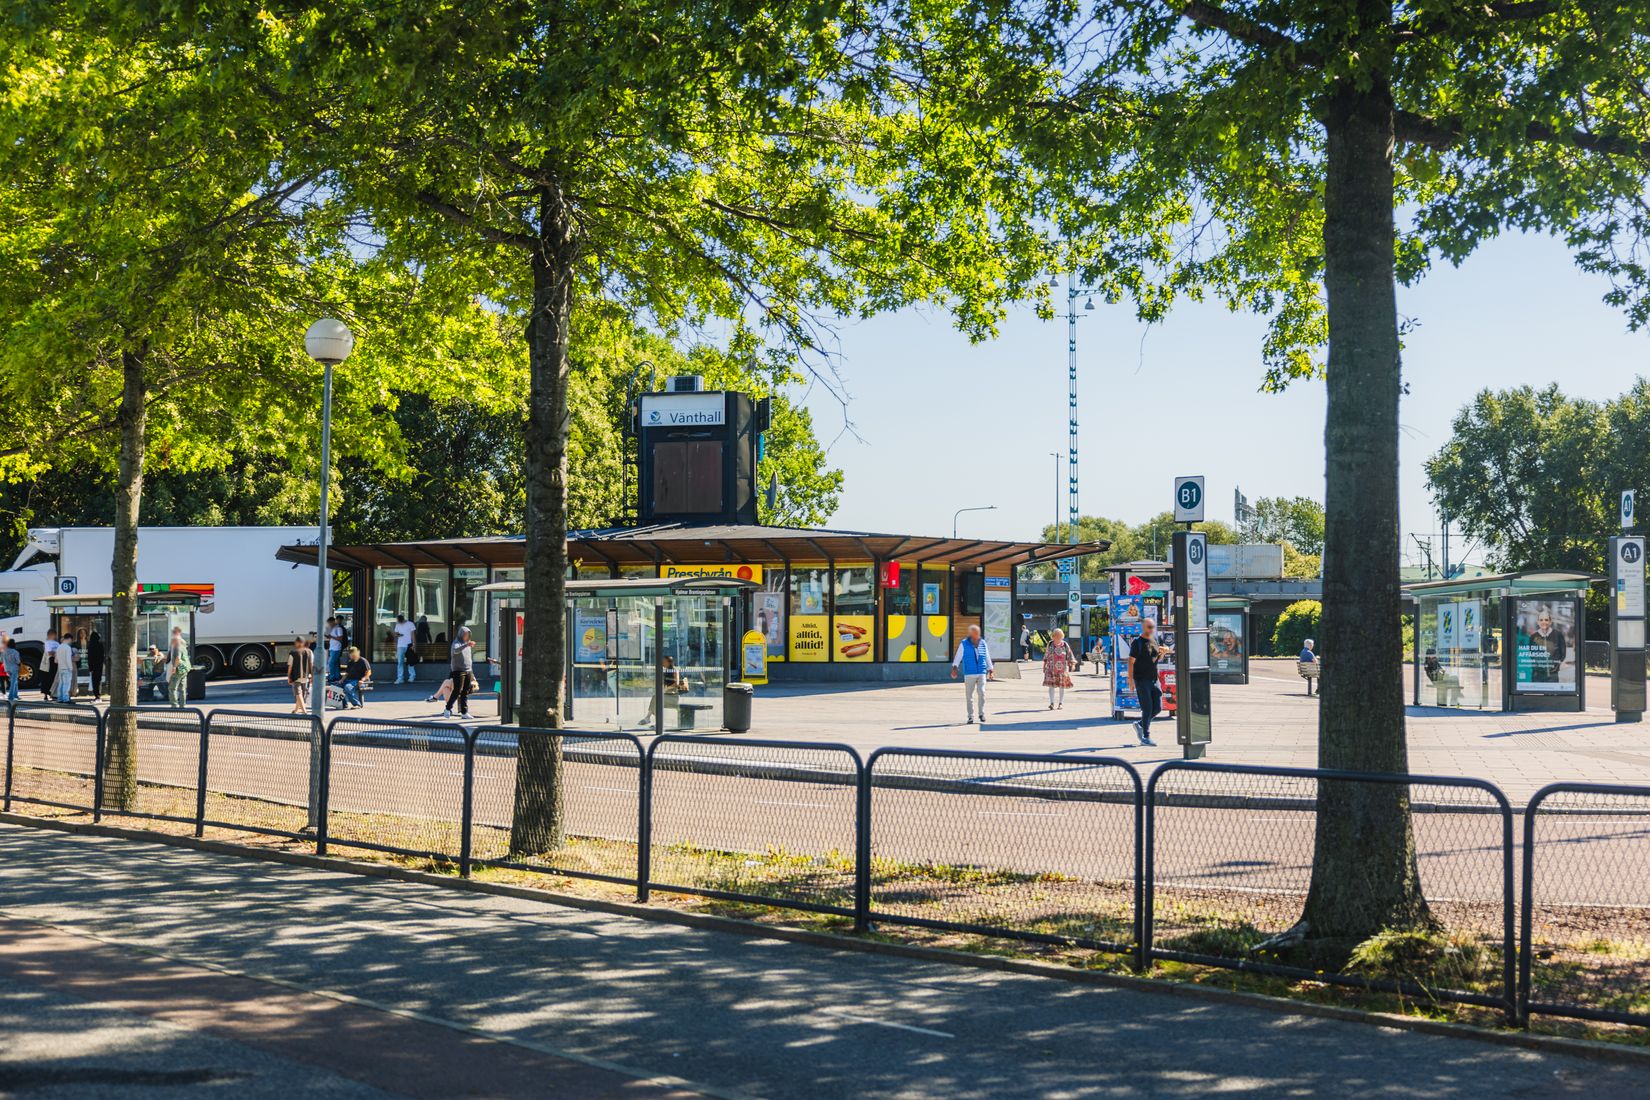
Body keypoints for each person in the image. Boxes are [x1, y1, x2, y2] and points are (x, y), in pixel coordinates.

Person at [1126, 618, 1165, 746]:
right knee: (1147, 708)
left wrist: (1162, 654)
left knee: (1158, 708)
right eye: (1149, 627)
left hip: (1154, 679)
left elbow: (1155, 659)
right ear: (1143, 627)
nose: (1151, 629)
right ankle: (1145, 736)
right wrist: (1130, 680)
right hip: (1141, 679)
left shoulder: (1154, 641)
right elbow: (1131, 661)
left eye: (1153, 626)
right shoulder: (1137, 643)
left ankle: (1140, 724)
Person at [949, 623, 994, 725]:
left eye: (978, 634)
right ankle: (970, 716)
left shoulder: (983, 643)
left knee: (982, 692)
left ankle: (981, 714)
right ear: (970, 634)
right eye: (975, 634)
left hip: (981, 671)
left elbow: (987, 656)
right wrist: (954, 668)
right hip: (969, 673)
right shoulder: (964, 643)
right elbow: (958, 656)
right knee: (969, 696)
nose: (977, 636)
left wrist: (990, 669)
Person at [1042, 627, 1077, 710]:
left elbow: (1070, 655)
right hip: (1051, 669)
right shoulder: (1050, 644)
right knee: (1051, 686)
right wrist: (1044, 666)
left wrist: (1073, 665)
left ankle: (1060, 703)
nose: (1058, 638)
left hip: (1062, 670)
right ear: (1053, 636)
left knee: (1062, 686)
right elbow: (1046, 655)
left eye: (1060, 636)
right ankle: (1052, 703)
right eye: (1056, 636)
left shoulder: (1065, 645)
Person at [445, 626, 475, 719]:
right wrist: (466, 645)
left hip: (468, 670)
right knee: (457, 690)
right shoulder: (456, 643)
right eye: (465, 634)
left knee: (465, 691)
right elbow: (456, 651)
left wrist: (472, 673)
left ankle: (464, 712)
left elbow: (469, 659)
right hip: (458, 670)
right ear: (461, 634)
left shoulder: (467, 644)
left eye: (468, 635)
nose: (467, 636)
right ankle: (447, 709)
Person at [166, 626, 192, 709]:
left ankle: (174, 705)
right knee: (182, 688)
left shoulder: (177, 644)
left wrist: (174, 667)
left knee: (172, 688)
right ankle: (182, 705)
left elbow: (177, 658)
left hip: (178, 668)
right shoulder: (183, 643)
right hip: (185, 668)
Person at [287, 637, 313, 713]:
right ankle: (296, 710)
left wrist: (289, 677)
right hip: (306, 677)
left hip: (296, 677)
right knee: (302, 694)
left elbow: (290, 667)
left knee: (298, 694)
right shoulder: (310, 652)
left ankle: (304, 711)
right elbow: (311, 665)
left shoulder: (293, 653)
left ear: (297, 643)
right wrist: (312, 676)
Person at [393, 613, 418, 684]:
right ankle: (400, 678)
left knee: (410, 661)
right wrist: (398, 635)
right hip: (400, 645)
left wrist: (414, 644)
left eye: (399, 621)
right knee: (400, 662)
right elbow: (395, 634)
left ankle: (412, 676)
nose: (399, 622)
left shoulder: (410, 624)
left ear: (402, 619)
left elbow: (413, 635)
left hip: (409, 645)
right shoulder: (397, 624)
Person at [53, 633, 76, 702]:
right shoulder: (67, 648)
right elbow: (68, 659)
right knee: (67, 684)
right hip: (67, 668)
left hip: (60, 668)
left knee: (61, 683)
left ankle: (60, 698)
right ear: (69, 639)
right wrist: (71, 668)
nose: (71, 642)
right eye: (71, 640)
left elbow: (56, 661)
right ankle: (65, 698)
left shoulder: (59, 647)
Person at [86, 628, 105, 700]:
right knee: (98, 680)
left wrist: (90, 667)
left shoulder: (90, 646)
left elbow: (90, 657)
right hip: (99, 665)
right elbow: (102, 655)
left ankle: (96, 694)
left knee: (94, 680)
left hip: (93, 666)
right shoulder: (100, 645)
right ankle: (98, 694)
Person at [325, 617, 346, 683]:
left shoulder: (338, 628)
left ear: (333, 622)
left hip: (336, 649)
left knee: (331, 663)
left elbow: (340, 638)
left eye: (329, 623)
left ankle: (332, 677)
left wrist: (331, 637)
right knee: (336, 663)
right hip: (332, 648)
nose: (329, 624)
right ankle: (337, 676)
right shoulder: (333, 629)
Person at [41, 629, 58, 701]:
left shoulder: (56, 643)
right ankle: (48, 694)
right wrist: (56, 653)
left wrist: (54, 653)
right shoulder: (47, 643)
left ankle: (51, 693)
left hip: (54, 662)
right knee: (48, 678)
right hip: (49, 662)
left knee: (52, 678)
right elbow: (49, 653)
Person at [2, 638, 20, 705]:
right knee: (13, 682)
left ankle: (15, 695)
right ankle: (11, 696)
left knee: (15, 681)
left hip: (7, 668)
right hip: (14, 668)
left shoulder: (4, 651)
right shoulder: (15, 652)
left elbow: (1, 660)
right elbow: (18, 661)